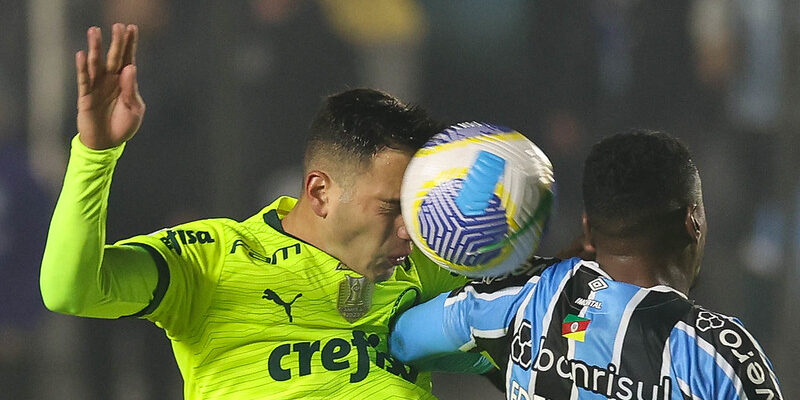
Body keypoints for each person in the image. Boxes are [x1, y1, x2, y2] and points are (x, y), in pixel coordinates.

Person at [40, 23, 480, 399]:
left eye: (417, 209)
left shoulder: (428, 263)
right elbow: (70, 291)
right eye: (390, 209)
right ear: (320, 192)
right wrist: (95, 155)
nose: (410, 229)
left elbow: (528, 328)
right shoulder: (213, 259)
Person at [390, 130, 784, 399]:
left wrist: (502, 353)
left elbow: (405, 338)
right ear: (692, 221)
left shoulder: (522, 300)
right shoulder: (717, 350)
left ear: (586, 228)